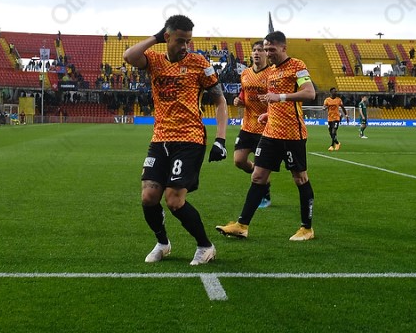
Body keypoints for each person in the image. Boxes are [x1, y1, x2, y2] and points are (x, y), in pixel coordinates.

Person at [123, 14, 227, 266]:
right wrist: (155, 38)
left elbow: (220, 101)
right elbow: (129, 56)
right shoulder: (155, 61)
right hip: (160, 138)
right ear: (167, 37)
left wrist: (221, 139)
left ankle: (205, 246)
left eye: (188, 41)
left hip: (190, 138)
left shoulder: (199, 63)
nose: (185, 46)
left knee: (174, 200)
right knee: (148, 197)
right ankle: (162, 243)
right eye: (180, 40)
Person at [216, 31, 316, 242]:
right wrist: (268, 114)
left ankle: (307, 228)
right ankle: (242, 225)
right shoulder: (271, 72)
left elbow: (309, 93)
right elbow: (273, 102)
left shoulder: (297, 66)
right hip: (270, 132)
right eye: (266, 49)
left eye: (271, 49)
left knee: (300, 178)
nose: (268, 53)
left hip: (292, 133)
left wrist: (280, 97)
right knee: (258, 176)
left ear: (283, 48)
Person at [233, 41, 271, 208]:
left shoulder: (272, 74)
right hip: (247, 126)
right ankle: (261, 175)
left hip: (265, 127)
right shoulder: (245, 73)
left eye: (260, 50)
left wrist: (269, 101)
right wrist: (239, 101)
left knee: (261, 166)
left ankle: (264, 191)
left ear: (266, 53)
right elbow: (243, 93)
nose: (256, 53)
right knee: (239, 161)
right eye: (254, 50)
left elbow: (277, 97)